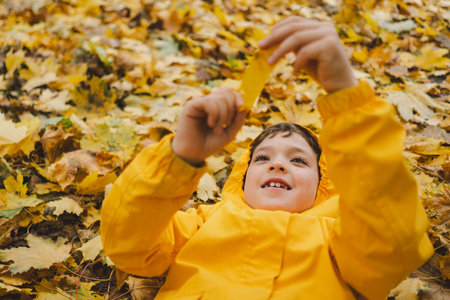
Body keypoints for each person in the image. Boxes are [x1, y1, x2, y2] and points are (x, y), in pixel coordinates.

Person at [100, 17, 433, 299]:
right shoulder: (201, 224)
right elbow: (128, 246)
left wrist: (347, 99)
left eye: (299, 161)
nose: (278, 164)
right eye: (262, 159)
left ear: (323, 185)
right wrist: (180, 156)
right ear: (242, 179)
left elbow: (392, 238)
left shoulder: (339, 239)